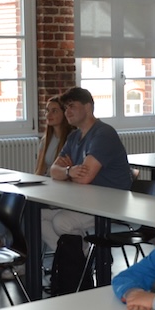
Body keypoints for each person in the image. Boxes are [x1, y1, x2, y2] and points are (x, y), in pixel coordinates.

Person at [42, 87, 133, 252]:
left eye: (72, 106)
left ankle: (79, 257)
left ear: (88, 107)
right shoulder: (74, 136)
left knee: (61, 222)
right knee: (38, 216)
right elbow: (54, 170)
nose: (67, 112)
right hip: (83, 200)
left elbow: (84, 178)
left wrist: (67, 172)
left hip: (109, 202)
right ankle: (72, 258)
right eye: (66, 108)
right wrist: (69, 172)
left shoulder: (103, 134)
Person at [0, 96, 71, 248]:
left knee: (22, 207)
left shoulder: (70, 140)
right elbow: (40, 171)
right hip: (46, 188)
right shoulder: (46, 140)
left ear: (64, 113)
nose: (49, 115)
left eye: (54, 111)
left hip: (60, 192)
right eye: (47, 111)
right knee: (15, 199)